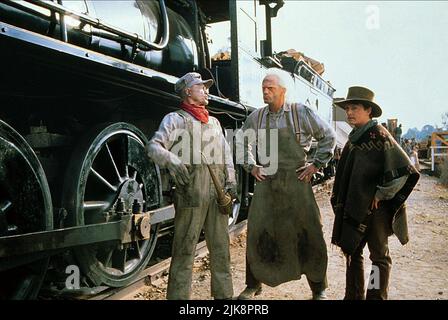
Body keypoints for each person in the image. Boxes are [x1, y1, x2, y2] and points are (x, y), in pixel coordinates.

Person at [235, 68, 336, 300]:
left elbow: (328, 136)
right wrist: (251, 167)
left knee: (310, 232)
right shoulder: (257, 117)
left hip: (297, 182)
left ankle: (318, 288)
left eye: (270, 88)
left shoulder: (300, 113)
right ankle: (252, 285)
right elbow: (241, 142)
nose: (265, 91)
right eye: (263, 88)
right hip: (267, 184)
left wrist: (316, 165)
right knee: (258, 232)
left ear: (283, 91)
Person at [147, 72, 236, 300]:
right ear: (188, 91)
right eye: (201, 87)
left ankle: (224, 299)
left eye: (206, 87)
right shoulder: (175, 119)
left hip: (218, 196)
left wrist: (232, 182)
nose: (206, 91)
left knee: (221, 251)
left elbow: (226, 156)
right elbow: (153, 147)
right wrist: (172, 160)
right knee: (184, 252)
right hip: (190, 195)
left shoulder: (215, 122)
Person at [331, 86, 420, 300]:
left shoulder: (379, 135)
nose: (349, 113)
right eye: (348, 108)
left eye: (355, 108)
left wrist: (381, 195)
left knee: (379, 257)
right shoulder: (354, 138)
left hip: (376, 209)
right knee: (352, 252)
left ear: (368, 110)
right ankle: (353, 296)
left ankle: (375, 296)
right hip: (356, 206)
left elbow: (404, 170)